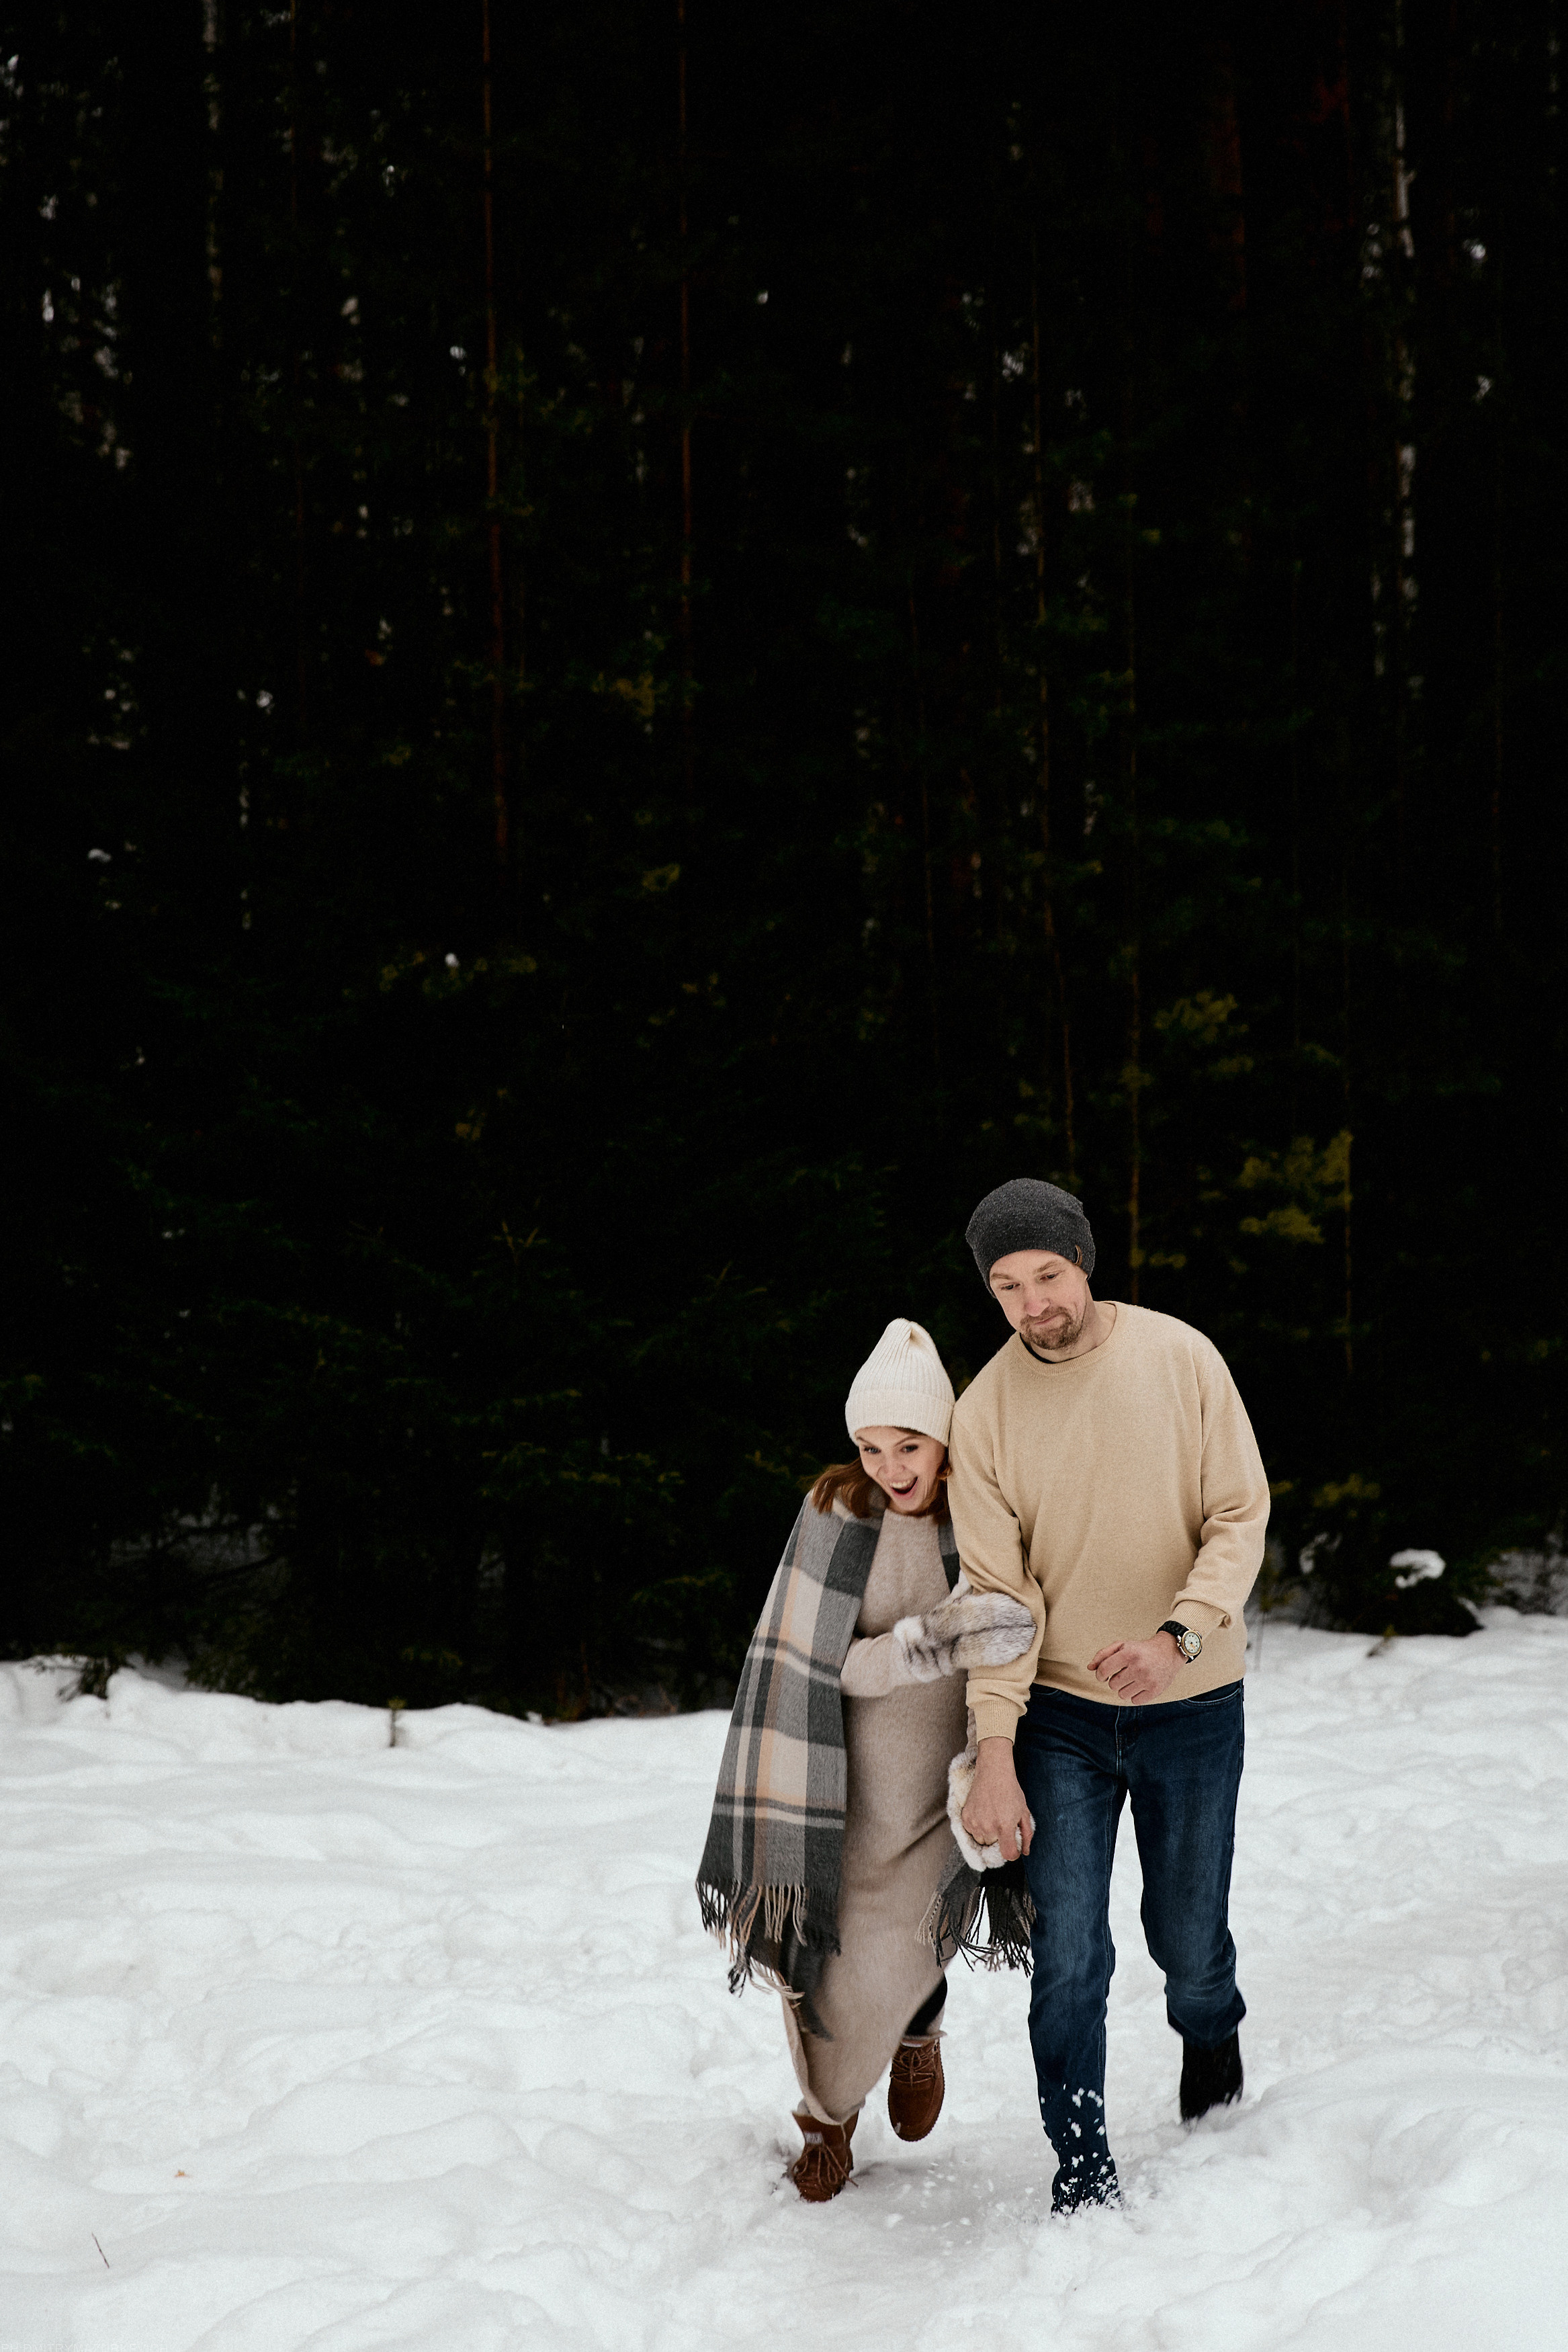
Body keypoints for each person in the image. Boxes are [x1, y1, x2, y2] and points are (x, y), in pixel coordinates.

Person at [949, 1177, 1270, 2214]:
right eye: (1007, 1285)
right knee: (1069, 1951)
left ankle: (1209, 2026)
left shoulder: (1179, 1358)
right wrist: (992, 1748)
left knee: (1185, 1940)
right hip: (1060, 1719)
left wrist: (1180, 1635)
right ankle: (1079, 2158)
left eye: (1047, 1274)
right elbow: (996, 1596)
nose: (1033, 1301)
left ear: (1083, 1261)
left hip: (1191, 1703)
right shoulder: (983, 1410)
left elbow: (1237, 1513)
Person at [697, 1317, 1037, 2202]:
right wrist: (921, 1646)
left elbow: (1018, 1627)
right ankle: (825, 2114)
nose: (892, 1466)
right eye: (873, 1446)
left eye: (910, 1445)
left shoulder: (985, 1514)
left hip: (938, 1791)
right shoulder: (834, 1512)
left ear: (943, 1440)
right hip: (839, 1792)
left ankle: (917, 2032)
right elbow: (809, 1665)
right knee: (828, 1960)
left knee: (913, 1944)